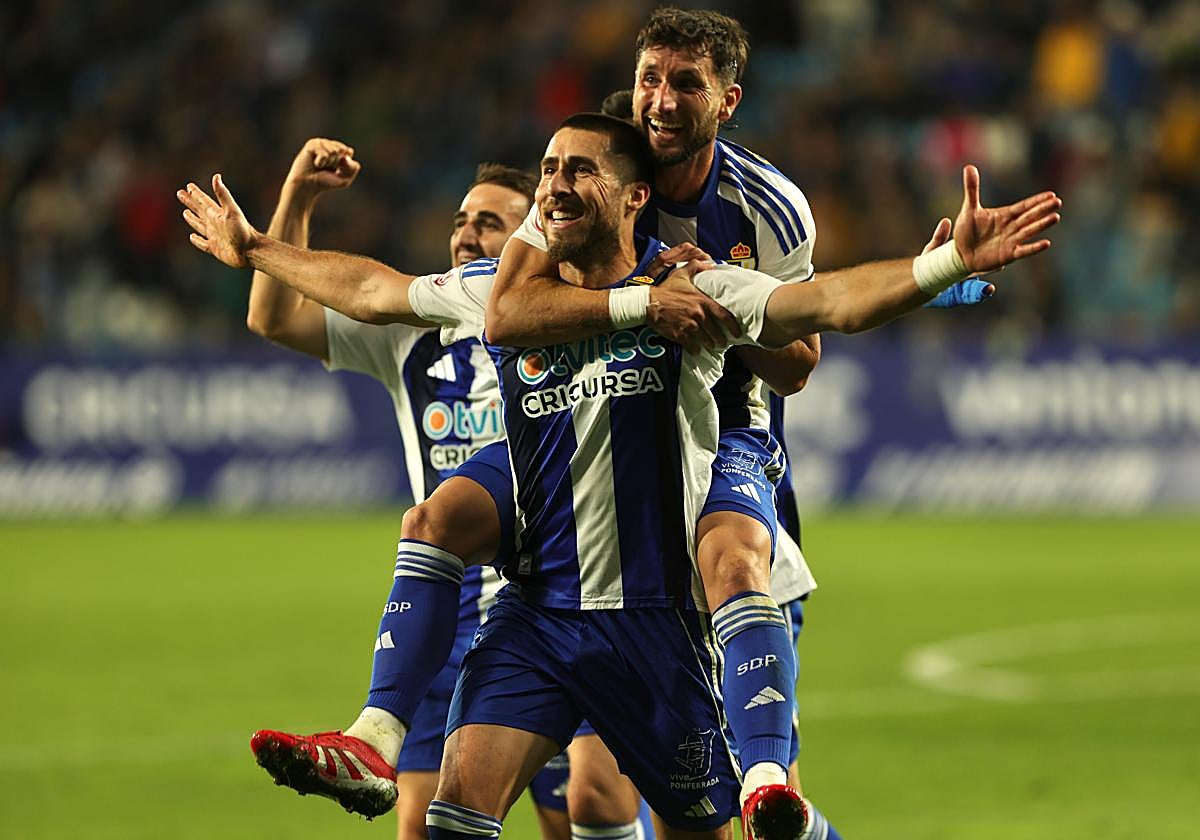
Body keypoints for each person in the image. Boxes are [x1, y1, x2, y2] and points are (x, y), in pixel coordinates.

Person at [178, 113, 1060, 839]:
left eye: (580, 170)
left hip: (653, 633)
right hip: (536, 616)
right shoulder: (498, 294)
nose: (555, 184)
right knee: (452, 816)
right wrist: (256, 246)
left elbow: (824, 305)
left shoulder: (697, 291)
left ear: (635, 195)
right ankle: (373, 737)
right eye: (550, 168)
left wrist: (945, 264)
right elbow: (370, 289)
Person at [486, 10, 989, 836]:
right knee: (603, 779)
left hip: (725, 439)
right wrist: (647, 301)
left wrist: (717, 301)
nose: (662, 99)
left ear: (727, 100)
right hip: (595, 440)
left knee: (748, 774)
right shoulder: (593, 177)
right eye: (652, 78)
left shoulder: (771, 209)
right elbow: (509, 309)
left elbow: (799, 361)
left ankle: (765, 782)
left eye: (687, 83)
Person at [238, 137, 572, 840]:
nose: (466, 233)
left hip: (551, 606)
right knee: (423, 827)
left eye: (488, 221)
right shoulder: (414, 334)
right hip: (441, 625)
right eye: (461, 219)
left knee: (585, 814)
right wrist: (297, 199)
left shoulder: (563, 319)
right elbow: (274, 319)